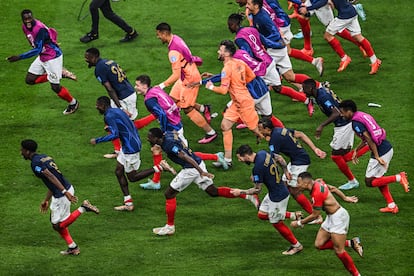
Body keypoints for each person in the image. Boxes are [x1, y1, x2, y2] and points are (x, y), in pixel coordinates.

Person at [147, 128, 261, 236]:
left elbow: (185, 157)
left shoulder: (169, 145)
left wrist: (200, 172)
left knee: (169, 194)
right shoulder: (168, 135)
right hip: (198, 162)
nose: (148, 139)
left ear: (157, 138)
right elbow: (175, 134)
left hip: (191, 168)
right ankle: (248, 195)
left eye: (150, 137)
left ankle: (170, 227)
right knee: (213, 191)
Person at [135, 74, 228, 188]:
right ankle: (156, 181)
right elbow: (171, 103)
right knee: (157, 150)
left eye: (137, 85)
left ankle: (216, 158)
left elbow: (161, 113)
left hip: (171, 128)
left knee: (185, 154)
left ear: (144, 86)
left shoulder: (149, 99)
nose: (136, 87)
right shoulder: (156, 89)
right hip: (176, 123)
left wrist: (164, 131)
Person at [90, 96, 176, 211]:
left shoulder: (108, 116)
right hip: (129, 143)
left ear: (104, 105)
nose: (96, 107)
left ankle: (160, 167)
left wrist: (98, 140)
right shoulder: (116, 111)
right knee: (118, 171)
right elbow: (125, 125)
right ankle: (128, 203)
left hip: (130, 147)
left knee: (133, 177)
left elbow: (115, 134)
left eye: (98, 105)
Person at [20, 139, 99, 256]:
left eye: (21, 150)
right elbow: (52, 180)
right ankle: (73, 247)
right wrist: (46, 200)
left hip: (62, 194)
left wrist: (64, 192)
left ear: (27, 151)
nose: (20, 152)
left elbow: (50, 175)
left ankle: (83, 208)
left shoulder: (35, 163)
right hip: (64, 189)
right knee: (56, 223)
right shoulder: (45, 157)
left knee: (57, 225)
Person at [227, 13, 315, 116]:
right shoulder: (251, 29)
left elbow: (248, 54)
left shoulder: (239, 39)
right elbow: (266, 41)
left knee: (252, 92)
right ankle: (307, 101)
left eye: (230, 25)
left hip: (260, 67)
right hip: (269, 61)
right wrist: (278, 45)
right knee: (278, 88)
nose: (229, 27)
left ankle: (247, 118)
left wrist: (239, 59)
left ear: (234, 24)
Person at [339, 100, 410, 213]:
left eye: (343, 112)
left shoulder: (356, 123)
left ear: (349, 111)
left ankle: (398, 177)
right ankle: (392, 206)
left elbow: (369, 139)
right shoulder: (361, 115)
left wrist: (377, 156)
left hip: (381, 151)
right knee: (378, 178)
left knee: (369, 181)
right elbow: (367, 138)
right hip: (385, 146)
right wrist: (356, 150)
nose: (341, 115)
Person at [232, 145, 304, 255]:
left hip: (278, 197)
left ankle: (296, 245)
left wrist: (240, 191)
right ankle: (294, 215)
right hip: (276, 190)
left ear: (246, 156)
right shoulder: (262, 153)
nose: (239, 160)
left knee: (276, 223)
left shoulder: (257, 169)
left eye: (240, 158)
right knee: (262, 214)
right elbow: (280, 158)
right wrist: (285, 171)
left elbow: (257, 190)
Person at [85, 47, 155, 158]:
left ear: (94, 57)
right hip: (127, 93)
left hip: (124, 98)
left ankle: (154, 117)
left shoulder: (99, 69)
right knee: (110, 121)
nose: (86, 60)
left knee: (129, 124)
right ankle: (118, 151)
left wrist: (121, 108)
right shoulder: (108, 61)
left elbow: (109, 89)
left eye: (87, 58)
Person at [205, 40, 264, 169]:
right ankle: (227, 160)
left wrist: (210, 87)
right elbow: (251, 76)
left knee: (257, 131)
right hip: (239, 101)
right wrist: (239, 85)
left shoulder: (226, 68)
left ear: (226, 53)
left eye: (220, 50)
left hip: (243, 103)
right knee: (225, 126)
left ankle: (276, 145)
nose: (218, 52)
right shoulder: (240, 62)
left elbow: (223, 90)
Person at [7, 9, 79, 115]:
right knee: (29, 80)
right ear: (22, 19)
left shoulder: (38, 28)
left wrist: (19, 57)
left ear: (33, 17)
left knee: (55, 87)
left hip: (52, 57)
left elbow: (38, 49)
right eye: (25, 19)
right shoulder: (24, 27)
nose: (28, 21)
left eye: (29, 18)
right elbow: (48, 34)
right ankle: (60, 73)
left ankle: (73, 103)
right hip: (43, 55)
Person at [155, 23, 217, 144]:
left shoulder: (173, 52)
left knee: (187, 108)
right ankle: (204, 108)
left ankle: (211, 133)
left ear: (164, 33)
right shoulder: (176, 38)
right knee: (172, 99)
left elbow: (175, 75)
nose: (158, 37)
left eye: (158, 35)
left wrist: (161, 86)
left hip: (189, 80)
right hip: (187, 74)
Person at [302, 79, 369, 190]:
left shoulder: (322, 97)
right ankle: (368, 147)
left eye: (304, 89)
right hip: (343, 124)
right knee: (342, 156)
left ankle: (353, 179)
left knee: (336, 156)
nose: (303, 92)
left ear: (311, 88)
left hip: (343, 125)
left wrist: (321, 126)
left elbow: (336, 113)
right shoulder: (319, 93)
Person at [291, 172, 363, 276]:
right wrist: (345, 198)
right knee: (319, 245)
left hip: (339, 219)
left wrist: (299, 223)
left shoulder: (316, 193)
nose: (297, 185)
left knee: (340, 251)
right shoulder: (318, 182)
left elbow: (315, 215)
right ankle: (352, 243)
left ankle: (356, 274)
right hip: (331, 217)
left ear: (306, 183)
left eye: (299, 183)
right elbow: (332, 188)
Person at [258, 117, 326, 220]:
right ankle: (268, 206)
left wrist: (285, 171)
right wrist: (315, 148)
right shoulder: (280, 130)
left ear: (267, 129)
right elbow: (301, 134)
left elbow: (278, 158)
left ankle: (316, 216)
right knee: (284, 185)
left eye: (260, 129)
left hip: (299, 163)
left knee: (295, 191)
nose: (259, 131)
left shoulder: (274, 140)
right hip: (297, 160)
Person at [299, 0, 381, 74]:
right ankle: (374, 61)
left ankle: (344, 58)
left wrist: (308, 8)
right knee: (358, 37)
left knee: (327, 36)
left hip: (344, 17)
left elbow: (323, 2)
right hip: (352, 12)